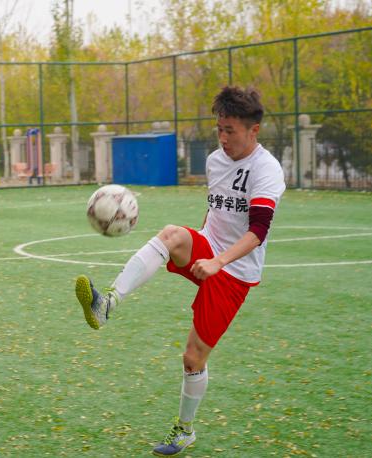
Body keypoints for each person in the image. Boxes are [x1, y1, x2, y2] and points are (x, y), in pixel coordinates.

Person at [75, 86, 286, 456]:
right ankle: (107, 303)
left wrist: (218, 262)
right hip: (209, 248)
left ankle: (185, 430)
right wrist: (201, 242)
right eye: (219, 129)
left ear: (254, 130)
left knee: (192, 358)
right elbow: (216, 211)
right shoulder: (216, 161)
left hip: (235, 272)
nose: (222, 138)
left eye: (230, 131)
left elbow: (258, 232)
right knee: (171, 235)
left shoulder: (266, 170)